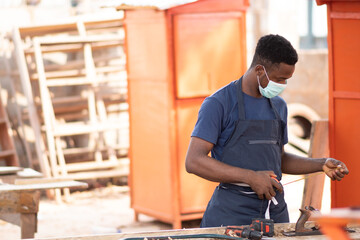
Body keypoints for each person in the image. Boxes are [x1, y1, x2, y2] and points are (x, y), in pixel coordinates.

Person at [185, 34, 349, 227]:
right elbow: (194, 161)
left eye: (286, 80)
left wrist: (321, 164)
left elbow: (279, 159)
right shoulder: (219, 104)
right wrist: (250, 177)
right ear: (260, 70)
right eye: (279, 79)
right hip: (231, 214)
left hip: (275, 212)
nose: (282, 86)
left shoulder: (279, 106)